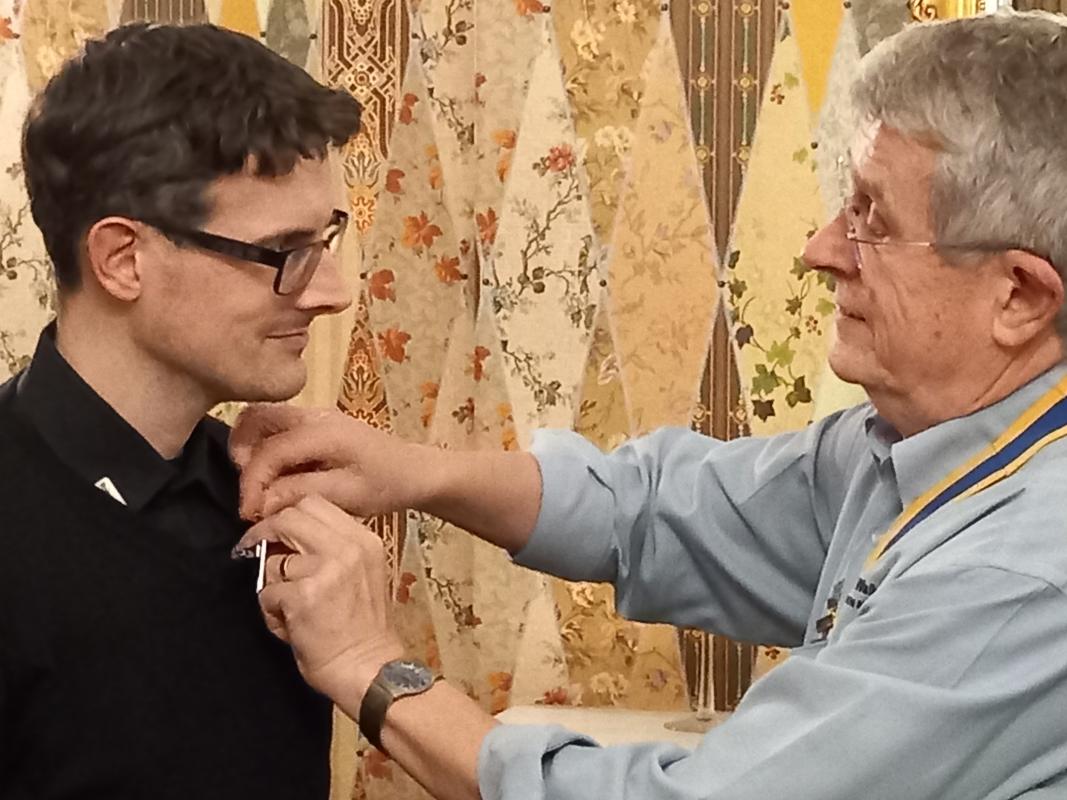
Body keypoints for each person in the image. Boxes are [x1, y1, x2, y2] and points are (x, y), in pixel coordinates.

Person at [232, 10, 1067, 800]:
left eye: (869, 219)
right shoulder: (922, 444)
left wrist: (369, 667)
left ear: (1019, 298)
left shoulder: (1020, 578)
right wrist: (416, 473)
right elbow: (662, 509)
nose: (820, 251)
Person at [0, 22, 358, 799]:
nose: (332, 292)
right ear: (125, 258)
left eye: (326, 240)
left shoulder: (268, 502)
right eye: (284, 252)